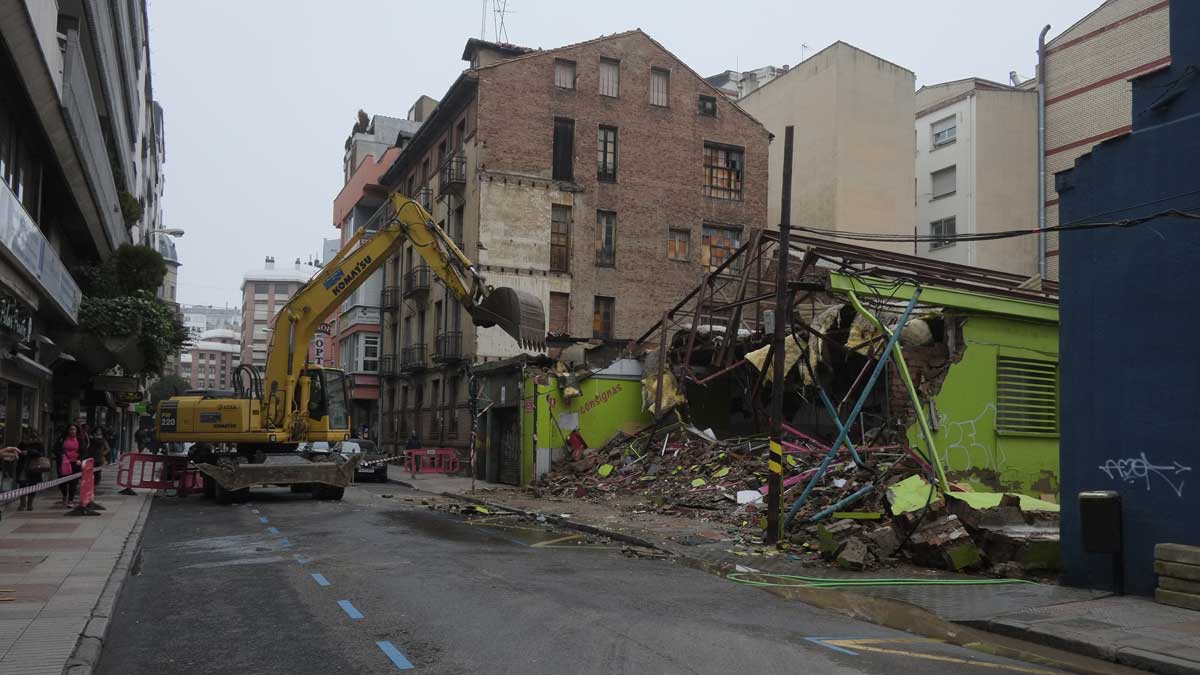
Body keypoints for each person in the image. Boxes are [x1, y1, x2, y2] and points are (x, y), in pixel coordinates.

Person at [16, 434, 46, 511]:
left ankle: (30, 504)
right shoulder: (22, 444)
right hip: (23, 467)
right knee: (22, 484)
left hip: (34, 467)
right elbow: (17, 452)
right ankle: (22, 503)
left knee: (32, 485)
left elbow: (41, 454)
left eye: (30, 438)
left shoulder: (38, 445)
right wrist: (20, 453)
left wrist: (29, 452)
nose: (28, 439)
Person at [57, 424, 82, 506]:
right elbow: (56, 448)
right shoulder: (62, 439)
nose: (72, 431)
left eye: (74, 429)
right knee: (62, 482)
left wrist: (80, 459)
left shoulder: (80, 439)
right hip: (64, 463)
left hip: (75, 463)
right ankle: (64, 495)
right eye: (71, 429)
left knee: (73, 483)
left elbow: (84, 450)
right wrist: (61, 455)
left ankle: (71, 499)